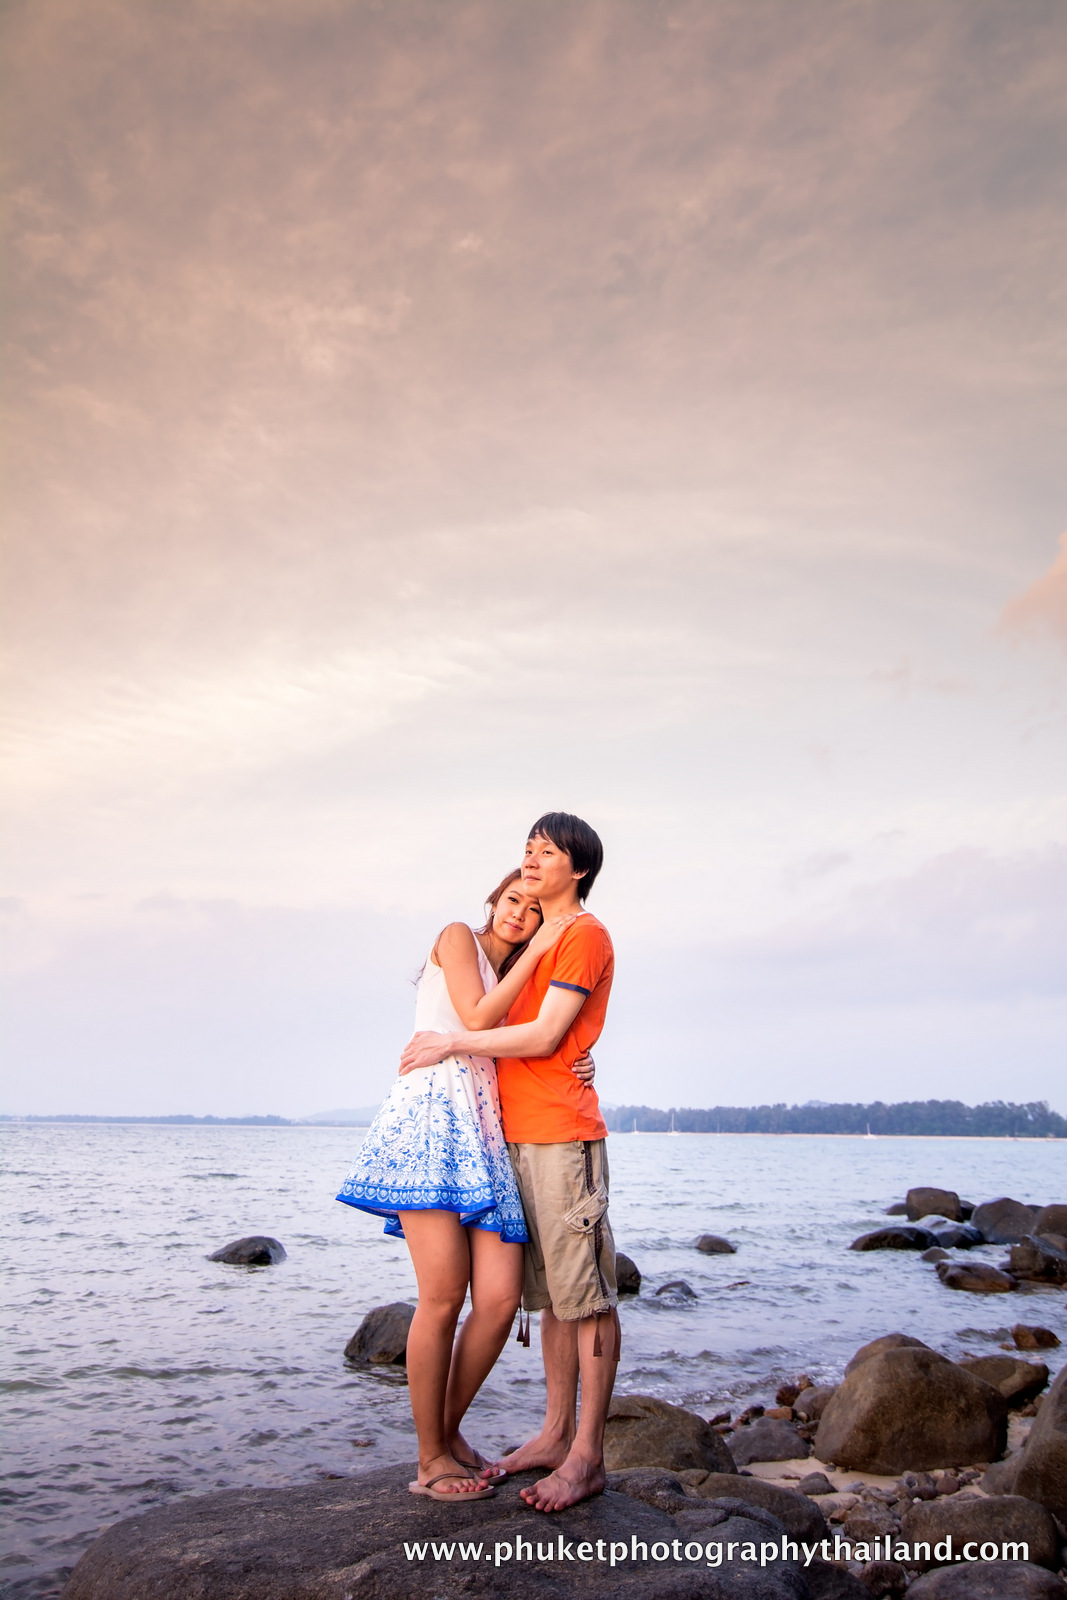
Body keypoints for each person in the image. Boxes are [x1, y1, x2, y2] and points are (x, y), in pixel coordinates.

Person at [336, 870, 595, 1502]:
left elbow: (539, 1035)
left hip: (486, 1130)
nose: (519, 916)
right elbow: (476, 1015)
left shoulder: (525, 981)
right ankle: (430, 1460)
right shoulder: (457, 937)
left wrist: (580, 1060)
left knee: (502, 1299)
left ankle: (447, 1434)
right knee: (444, 1295)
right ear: (494, 899)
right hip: (430, 1117)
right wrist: (540, 946)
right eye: (513, 901)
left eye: (535, 913)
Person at [399, 812, 617, 1513]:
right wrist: (463, 1040)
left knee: (539, 1299)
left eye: (544, 858)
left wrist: (572, 1045)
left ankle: (568, 1450)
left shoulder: (577, 936)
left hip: (529, 1133)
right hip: (468, 1130)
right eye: (523, 860)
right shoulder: (479, 944)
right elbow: (490, 1017)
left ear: (575, 869)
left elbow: (550, 1029)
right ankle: (464, 1446)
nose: (527, 878)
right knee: (501, 1298)